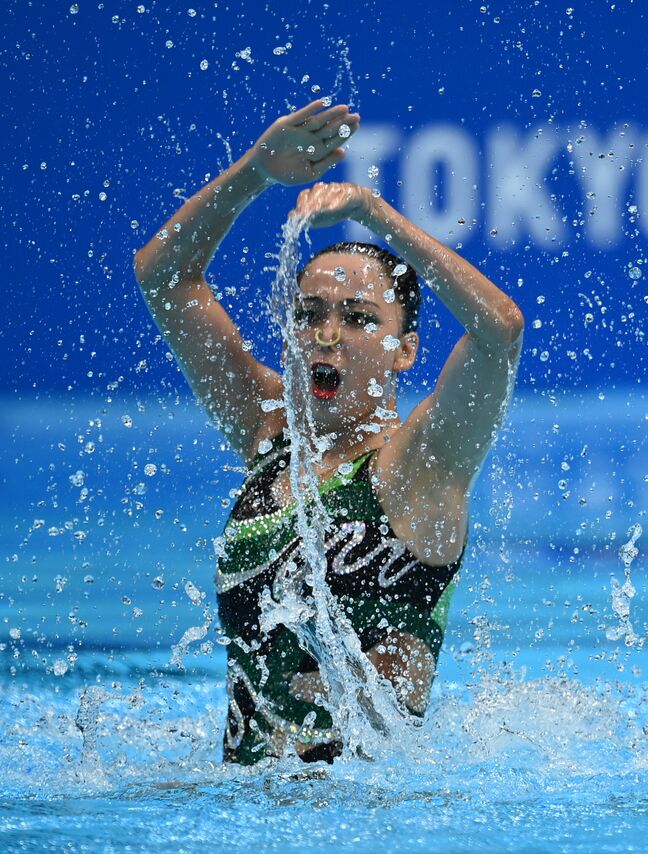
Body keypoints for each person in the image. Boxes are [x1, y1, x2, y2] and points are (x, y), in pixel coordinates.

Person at [134, 99, 524, 762]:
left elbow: (499, 332)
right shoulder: (270, 434)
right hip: (242, 804)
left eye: (358, 318)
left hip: (362, 815)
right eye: (309, 312)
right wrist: (255, 172)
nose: (325, 334)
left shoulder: (419, 466)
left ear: (405, 349)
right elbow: (165, 278)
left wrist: (377, 216)